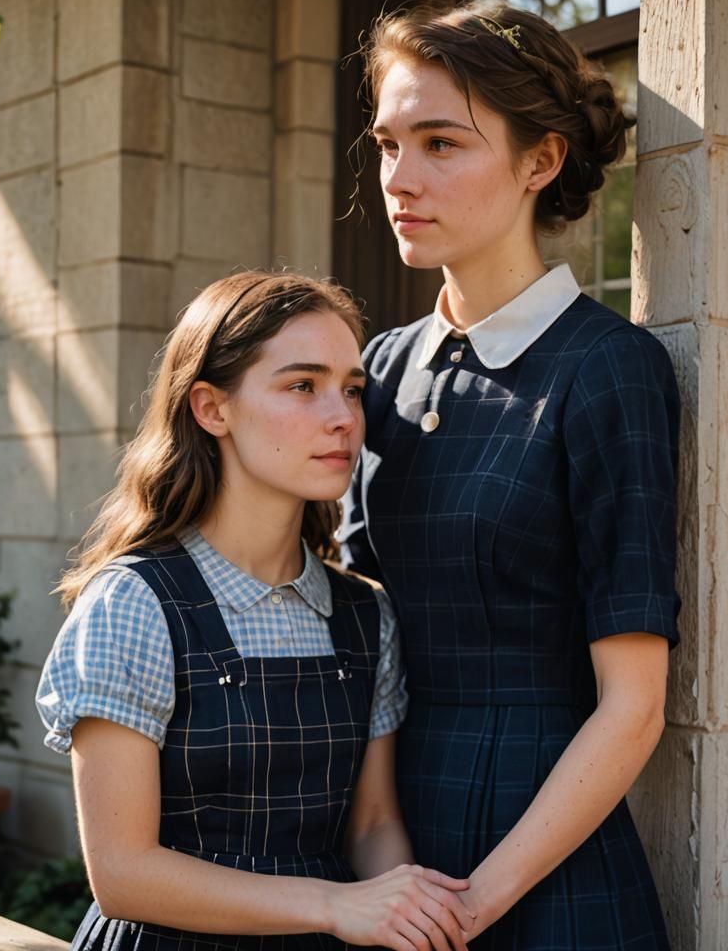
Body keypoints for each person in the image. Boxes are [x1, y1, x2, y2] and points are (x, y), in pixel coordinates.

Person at [341, 0, 681, 950]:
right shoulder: (382, 365)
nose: (400, 179)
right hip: (383, 846)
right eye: (388, 143)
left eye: (441, 143)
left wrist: (470, 906)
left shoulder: (606, 368)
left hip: (537, 859)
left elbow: (635, 704)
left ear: (542, 160)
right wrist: (383, 872)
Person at [36, 271, 476, 951]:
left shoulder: (365, 615)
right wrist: (335, 905)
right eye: (303, 386)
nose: (342, 418)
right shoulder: (135, 604)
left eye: (352, 390)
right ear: (212, 408)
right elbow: (122, 872)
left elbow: (371, 825)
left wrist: (408, 916)